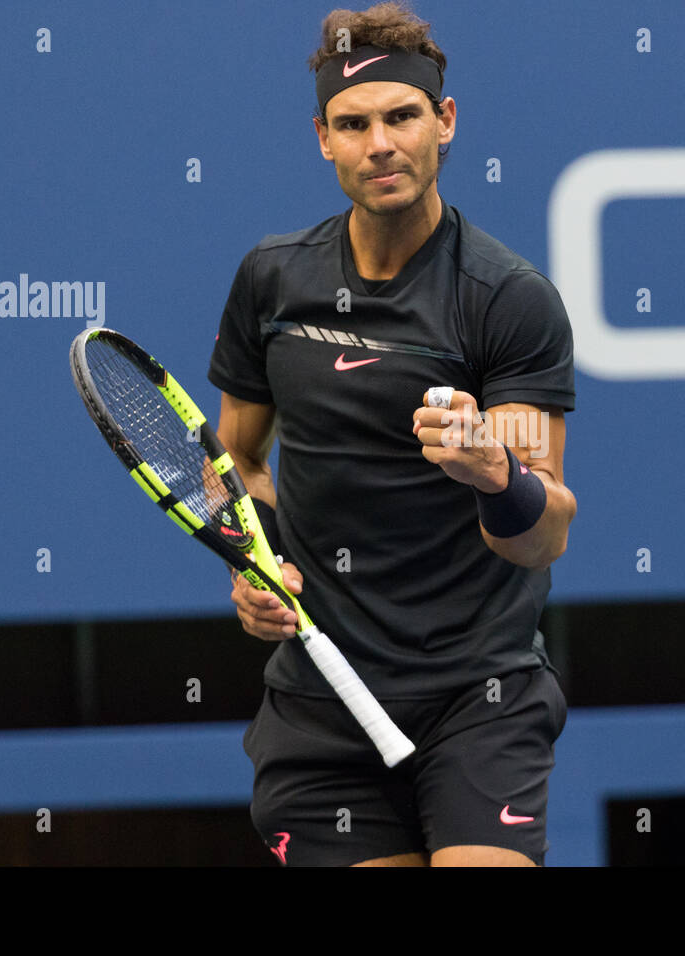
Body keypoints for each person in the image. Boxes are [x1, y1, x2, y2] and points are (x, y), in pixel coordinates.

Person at [208, 1, 576, 867]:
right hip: (324, 699)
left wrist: (495, 474)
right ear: (323, 139)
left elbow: (546, 533)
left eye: (402, 116)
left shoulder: (506, 300)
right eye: (354, 123)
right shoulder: (271, 283)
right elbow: (237, 462)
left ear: (444, 123)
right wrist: (255, 571)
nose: (381, 144)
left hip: (477, 694)